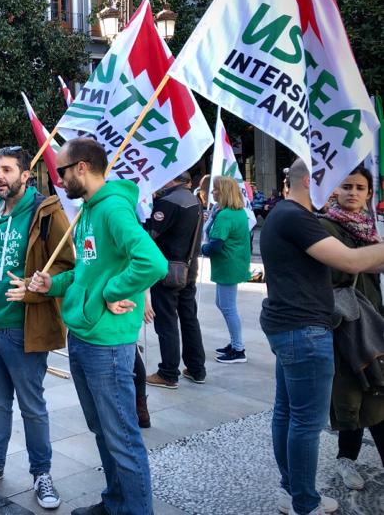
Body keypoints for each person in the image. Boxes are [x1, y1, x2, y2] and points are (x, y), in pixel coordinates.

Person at [27, 138, 168, 515]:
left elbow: (153, 263)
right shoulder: (88, 210)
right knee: (103, 431)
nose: (59, 178)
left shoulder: (112, 210)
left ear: (83, 168)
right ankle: (115, 503)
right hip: (84, 339)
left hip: (107, 345)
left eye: (62, 171)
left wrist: (112, 291)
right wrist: (52, 285)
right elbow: (86, 273)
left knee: (122, 438)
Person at [260, 158, 384, 515]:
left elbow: (354, 261)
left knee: (286, 414)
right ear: (310, 181)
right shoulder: (297, 218)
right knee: (304, 423)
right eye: (329, 182)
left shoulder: (283, 213)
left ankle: (291, 492)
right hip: (304, 332)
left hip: (288, 328)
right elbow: (350, 261)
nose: (335, 191)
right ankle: (304, 502)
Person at [0, 146, 74, 509]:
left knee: (32, 406)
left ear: (25, 175)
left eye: (7, 170)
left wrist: (35, 284)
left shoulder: (45, 211)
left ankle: (42, 474)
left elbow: (66, 263)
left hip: (23, 327)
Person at [317, 165, 384, 491]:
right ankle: (346, 460)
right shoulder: (324, 227)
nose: (353, 193)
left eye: (360, 188)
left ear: (369, 193)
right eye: (347, 186)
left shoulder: (370, 228)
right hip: (344, 324)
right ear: (335, 190)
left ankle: (347, 459)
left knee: (371, 391)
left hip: (371, 321)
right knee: (356, 394)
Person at [145, 172, 206, 389]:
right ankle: (197, 368)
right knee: (189, 318)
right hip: (188, 268)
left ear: (170, 178)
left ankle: (168, 372)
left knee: (166, 321)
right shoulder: (193, 199)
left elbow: (150, 233)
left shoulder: (169, 201)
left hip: (169, 269)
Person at [202, 176, 252, 364]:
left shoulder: (226, 215)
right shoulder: (235, 212)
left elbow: (215, 245)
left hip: (228, 264)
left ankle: (238, 349)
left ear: (224, 192)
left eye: (215, 189)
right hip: (232, 263)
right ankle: (235, 343)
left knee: (228, 307)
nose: (212, 192)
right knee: (223, 304)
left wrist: (201, 249)